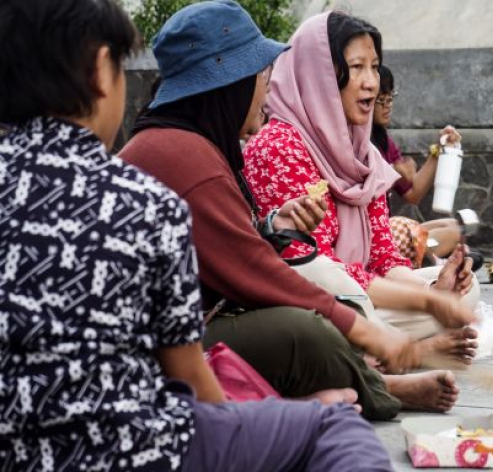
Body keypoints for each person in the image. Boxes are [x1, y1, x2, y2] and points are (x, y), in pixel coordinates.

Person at [0, 0, 392, 470]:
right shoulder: (144, 203)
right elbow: (189, 379)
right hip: (127, 451)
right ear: (101, 70)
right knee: (329, 412)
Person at [120, 1, 459, 418]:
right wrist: (366, 329)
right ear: (232, 85)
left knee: (330, 311)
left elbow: (231, 246)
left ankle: (334, 383)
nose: (268, 86)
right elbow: (256, 270)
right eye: (262, 75)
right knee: (310, 329)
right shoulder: (195, 155)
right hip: (174, 345)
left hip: (207, 320)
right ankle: (380, 386)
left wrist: (272, 224)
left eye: (375, 68)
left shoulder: (191, 146)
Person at [242, 12, 481, 356]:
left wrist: (433, 290)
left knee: (467, 293)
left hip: (362, 296)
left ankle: (382, 350)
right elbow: (312, 269)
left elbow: (383, 257)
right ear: (318, 74)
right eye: (356, 68)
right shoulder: (279, 145)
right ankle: (401, 353)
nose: (372, 82)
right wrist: (427, 301)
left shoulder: (364, 154)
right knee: (328, 281)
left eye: (375, 67)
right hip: (310, 302)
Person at [372, 65, 485, 268]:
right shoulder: (354, 140)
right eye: (381, 100)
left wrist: (439, 150)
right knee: (452, 234)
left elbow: (413, 194)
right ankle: (434, 260)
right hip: (371, 236)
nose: (387, 106)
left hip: (386, 230)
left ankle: (434, 257)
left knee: (453, 226)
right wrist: (387, 174)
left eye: (390, 98)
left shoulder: (384, 141)